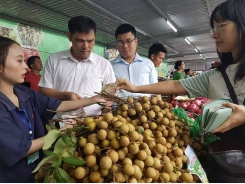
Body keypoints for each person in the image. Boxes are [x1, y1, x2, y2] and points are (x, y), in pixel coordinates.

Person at [116, 0, 245, 144]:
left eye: (220, 26)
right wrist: (135, 88)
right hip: (228, 157)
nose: (214, 35)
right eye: (213, 29)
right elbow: (176, 85)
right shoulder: (217, 75)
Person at [0, 36, 106, 182]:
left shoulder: (24, 93)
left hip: (36, 173)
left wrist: (93, 100)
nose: (26, 66)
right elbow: (21, 148)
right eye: (20, 61)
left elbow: (57, 105)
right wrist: (59, 132)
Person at [39, 16, 116, 116]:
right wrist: (65, 95)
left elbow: (111, 94)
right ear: (70, 36)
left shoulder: (104, 65)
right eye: (80, 41)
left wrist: (108, 104)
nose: (85, 47)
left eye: (90, 41)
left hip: (93, 125)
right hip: (59, 123)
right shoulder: (54, 59)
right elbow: (44, 90)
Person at [110, 24, 161, 100]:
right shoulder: (110, 66)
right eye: (121, 42)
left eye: (129, 41)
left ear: (136, 42)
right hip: (118, 110)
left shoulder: (148, 63)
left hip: (145, 109)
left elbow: (156, 90)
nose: (125, 46)